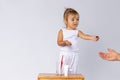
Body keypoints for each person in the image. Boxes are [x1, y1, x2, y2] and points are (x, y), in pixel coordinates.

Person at [57, 8, 99, 75]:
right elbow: (59, 42)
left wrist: (92, 37)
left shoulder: (77, 32)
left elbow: (84, 35)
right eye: (73, 19)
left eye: (77, 19)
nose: (75, 21)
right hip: (65, 55)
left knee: (73, 72)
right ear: (66, 21)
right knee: (61, 72)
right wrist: (64, 42)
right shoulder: (62, 31)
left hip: (74, 55)